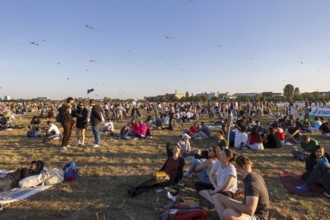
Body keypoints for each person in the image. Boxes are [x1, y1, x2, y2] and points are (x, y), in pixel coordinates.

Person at [213, 155, 269, 220]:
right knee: (217, 197)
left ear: (238, 167)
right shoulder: (255, 176)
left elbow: (250, 210)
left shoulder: (251, 184)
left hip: (257, 216)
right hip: (251, 211)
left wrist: (228, 201)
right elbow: (258, 191)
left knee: (228, 213)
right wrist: (244, 190)